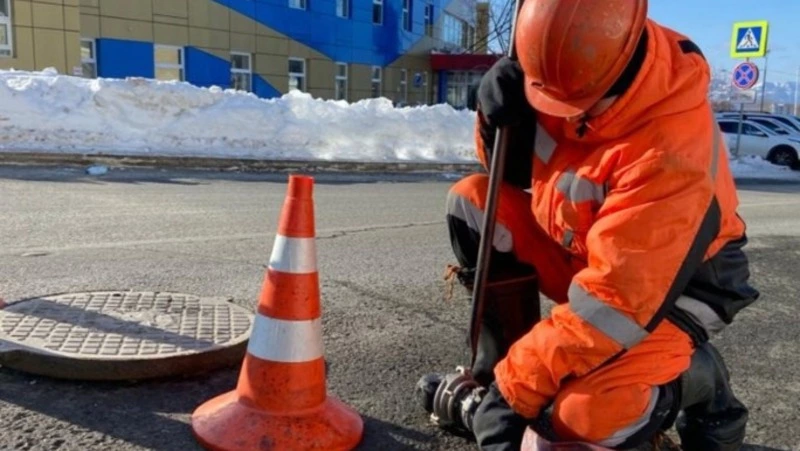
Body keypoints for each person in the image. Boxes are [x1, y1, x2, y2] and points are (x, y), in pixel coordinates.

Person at [416, 0, 760, 450]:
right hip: (591, 259)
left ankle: (695, 378)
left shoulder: (671, 151)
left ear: (609, 75)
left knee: (586, 413)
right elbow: (510, 173)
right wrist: (495, 118)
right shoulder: (569, 60)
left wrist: (516, 392)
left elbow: (614, 304)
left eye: (563, 102)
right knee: (474, 201)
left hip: (673, 292)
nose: (555, 112)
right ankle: (505, 370)